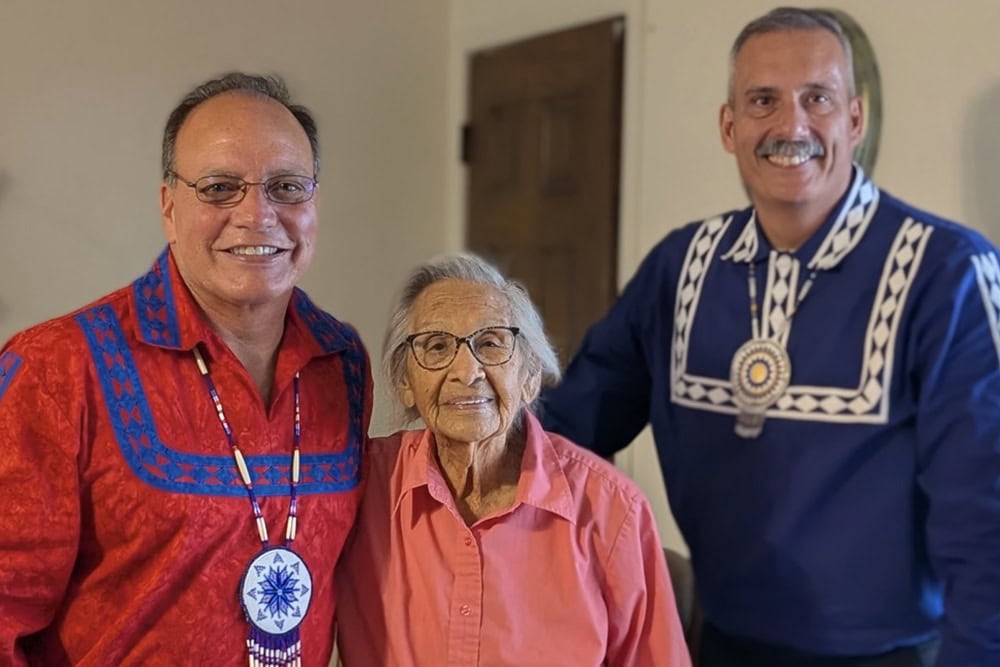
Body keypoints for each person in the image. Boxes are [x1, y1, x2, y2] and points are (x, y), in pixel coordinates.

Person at [541, 7, 1000, 667]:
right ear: (729, 127)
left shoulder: (948, 270)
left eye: (818, 98)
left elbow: (985, 518)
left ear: (855, 119)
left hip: (891, 656)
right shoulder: (680, 266)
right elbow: (565, 429)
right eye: (763, 100)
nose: (792, 125)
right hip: (718, 643)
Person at [0, 73, 371, 666]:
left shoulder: (344, 361)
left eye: (286, 187)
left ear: (314, 204)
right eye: (220, 187)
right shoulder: (56, 368)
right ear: (170, 208)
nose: (257, 214)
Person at [334, 253, 691, 666]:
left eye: (491, 344)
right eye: (436, 346)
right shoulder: (356, 486)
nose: (467, 371)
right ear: (404, 382)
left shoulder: (613, 511)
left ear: (530, 376)